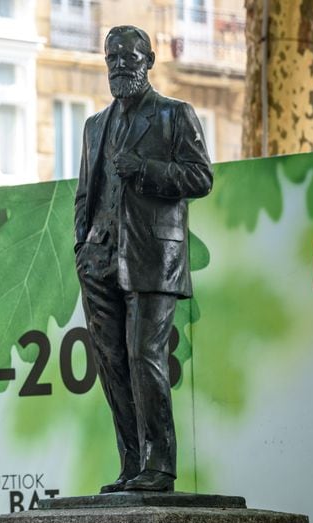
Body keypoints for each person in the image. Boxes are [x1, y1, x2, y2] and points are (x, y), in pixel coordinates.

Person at [74, 25, 213, 493]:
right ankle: (132, 465)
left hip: (153, 257)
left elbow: (201, 177)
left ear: (149, 61)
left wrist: (147, 170)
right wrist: (83, 247)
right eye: (111, 58)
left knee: (144, 356)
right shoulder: (96, 126)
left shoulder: (176, 116)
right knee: (112, 364)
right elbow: (84, 196)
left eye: (128, 58)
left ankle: (159, 465)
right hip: (99, 259)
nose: (118, 66)